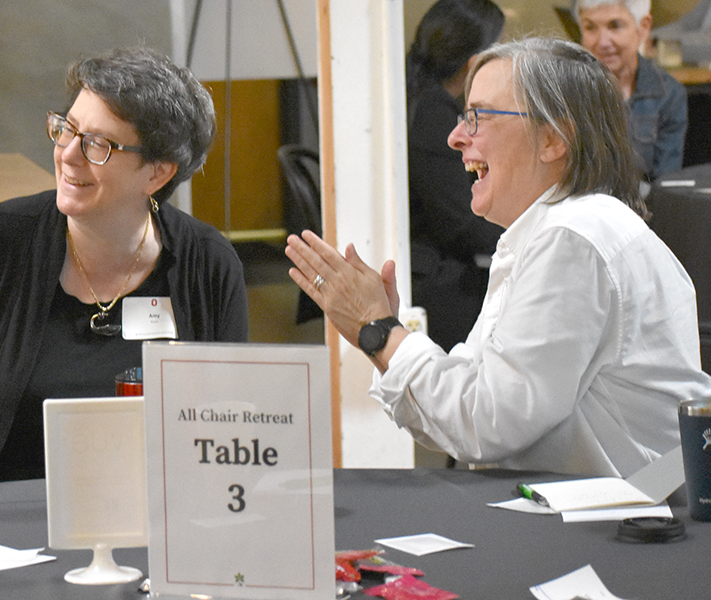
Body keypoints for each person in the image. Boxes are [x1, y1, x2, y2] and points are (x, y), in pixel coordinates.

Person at [286, 38, 711, 477]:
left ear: (552, 139)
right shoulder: (550, 232)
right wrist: (379, 338)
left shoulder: (573, 239)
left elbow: (486, 424)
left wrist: (379, 330)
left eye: (478, 117)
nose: (456, 137)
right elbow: (467, 418)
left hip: (623, 533)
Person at [0, 47, 249, 488]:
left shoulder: (208, 266)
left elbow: (227, 424)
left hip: (149, 521)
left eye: (97, 145)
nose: (68, 154)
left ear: (157, 174)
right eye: (66, 129)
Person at [406, 0, 507, 351]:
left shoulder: (414, 94)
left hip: (426, 258)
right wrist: (526, 236)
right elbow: (459, 225)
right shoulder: (431, 112)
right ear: (474, 63)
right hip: (426, 275)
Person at [575, 0, 686, 180]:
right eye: (590, 28)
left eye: (615, 26)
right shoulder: (567, 90)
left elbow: (665, 183)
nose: (603, 42)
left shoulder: (668, 94)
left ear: (643, 27)